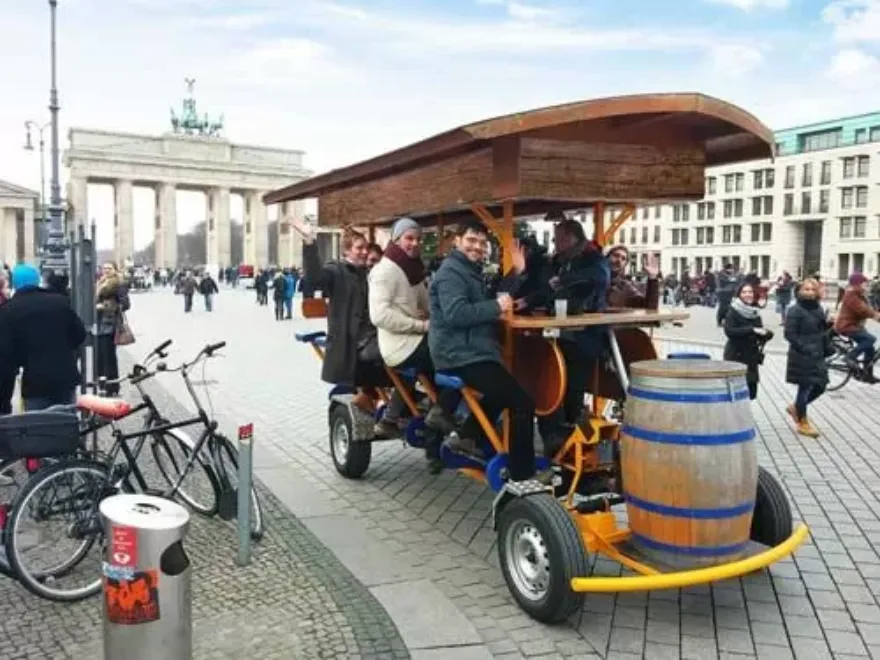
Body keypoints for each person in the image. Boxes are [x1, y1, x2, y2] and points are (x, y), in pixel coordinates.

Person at [428, 218, 541, 483]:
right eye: (471, 240)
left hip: (473, 351)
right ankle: (523, 477)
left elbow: (494, 296)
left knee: (505, 390)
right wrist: (496, 308)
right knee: (523, 403)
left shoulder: (467, 270)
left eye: (481, 242)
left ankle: (467, 438)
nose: (477, 247)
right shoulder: (451, 274)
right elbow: (457, 314)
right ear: (456, 241)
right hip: (459, 354)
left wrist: (516, 273)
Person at [369, 217, 457, 473]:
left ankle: (434, 444)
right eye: (409, 238)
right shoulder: (384, 271)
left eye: (418, 239)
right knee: (460, 360)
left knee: (442, 381)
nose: (414, 243)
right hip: (401, 346)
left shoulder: (412, 269)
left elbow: (426, 303)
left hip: (416, 340)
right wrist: (420, 324)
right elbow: (380, 316)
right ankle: (441, 421)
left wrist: (436, 316)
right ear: (396, 239)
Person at [0, 263, 86, 411]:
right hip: (65, 378)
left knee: (39, 428)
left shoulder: (8, 310)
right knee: (66, 425)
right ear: (37, 279)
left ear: (14, 283)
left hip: (35, 383)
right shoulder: (59, 301)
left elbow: (7, 352)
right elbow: (79, 335)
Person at [784, 278, 831, 438]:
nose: (810, 292)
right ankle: (802, 421)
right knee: (804, 387)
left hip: (817, 353)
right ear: (799, 291)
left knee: (821, 385)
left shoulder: (818, 309)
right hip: (802, 354)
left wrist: (830, 325)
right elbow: (789, 334)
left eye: (813, 289)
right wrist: (805, 347)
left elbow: (821, 330)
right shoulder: (795, 310)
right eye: (806, 289)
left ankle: (795, 408)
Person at [723, 283, 772, 400]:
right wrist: (752, 330)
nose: (747, 295)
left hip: (751, 356)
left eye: (750, 292)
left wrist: (766, 335)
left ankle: (744, 416)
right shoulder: (733, 311)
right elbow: (729, 331)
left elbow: (758, 332)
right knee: (736, 391)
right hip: (736, 355)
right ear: (739, 295)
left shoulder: (754, 312)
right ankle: (736, 417)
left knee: (750, 393)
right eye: (744, 292)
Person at [834, 272, 880, 383]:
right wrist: (876, 316)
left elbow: (868, 309)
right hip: (847, 326)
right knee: (871, 339)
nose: (866, 285)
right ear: (857, 284)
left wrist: (876, 315)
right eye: (864, 283)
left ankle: (867, 374)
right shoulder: (851, 294)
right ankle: (850, 357)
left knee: (870, 348)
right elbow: (863, 309)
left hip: (855, 325)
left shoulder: (859, 294)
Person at [95, 262, 131, 396]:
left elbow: (126, 304)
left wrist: (106, 306)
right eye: (104, 268)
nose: (106, 270)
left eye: (109, 268)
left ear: (115, 270)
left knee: (109, 356)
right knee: (100, 356)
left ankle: (112, 386)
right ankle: (102, 384)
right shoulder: (100, 283)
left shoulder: (119, 284)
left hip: (110, 324)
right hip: (99, 323)